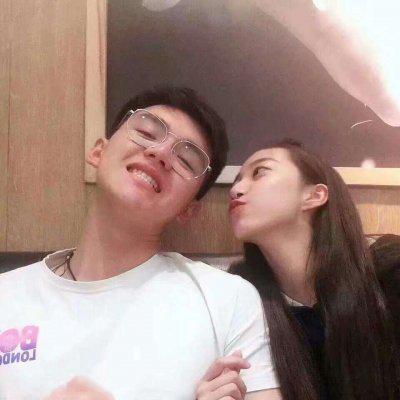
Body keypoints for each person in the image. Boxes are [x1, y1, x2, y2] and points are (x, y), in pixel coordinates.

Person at [0, 86, 281, 400]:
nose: (161, 153)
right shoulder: (6, 296)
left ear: (189, 210)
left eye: (186, 160)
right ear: (99, 152)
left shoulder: (227, 299)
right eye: (147, 133)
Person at [228, 139, 400, 400]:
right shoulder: (240, 296)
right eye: (236, 180)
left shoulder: (390, 269)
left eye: (260, 172)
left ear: (314, 195)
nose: (236, 190)